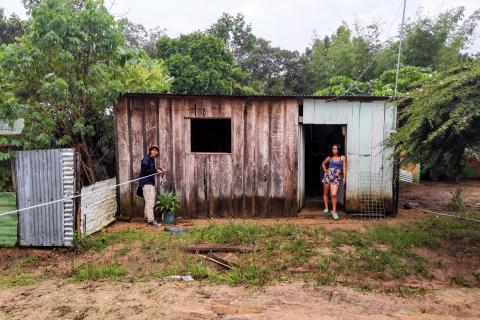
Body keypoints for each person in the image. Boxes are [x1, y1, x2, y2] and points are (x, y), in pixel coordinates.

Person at [139, 145, 166, 227]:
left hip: (150, 183)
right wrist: (156, 171)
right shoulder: (146, 159)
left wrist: (159, 170)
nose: (155, 152)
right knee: (150, 202)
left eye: (156, 150)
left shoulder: (152, 159)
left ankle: (147, 218)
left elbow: (151, 170)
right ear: (150, 151)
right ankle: (150, 221)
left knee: (148, 202)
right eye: (153, 150)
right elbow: (145, 170)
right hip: (147, 183)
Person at [321, 144, 346, 220]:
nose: (334, 150)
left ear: (338, 150)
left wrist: (344, 177)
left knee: (334, 194)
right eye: (333, 149)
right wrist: (326, 170)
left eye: (335, 149)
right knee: (326, 193)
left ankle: (334, 211)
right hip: (328, 176)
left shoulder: (342, 157)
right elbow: (323, 164)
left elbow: (344, 167)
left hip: (336, 177)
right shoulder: (329, 158)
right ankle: (326, 207)